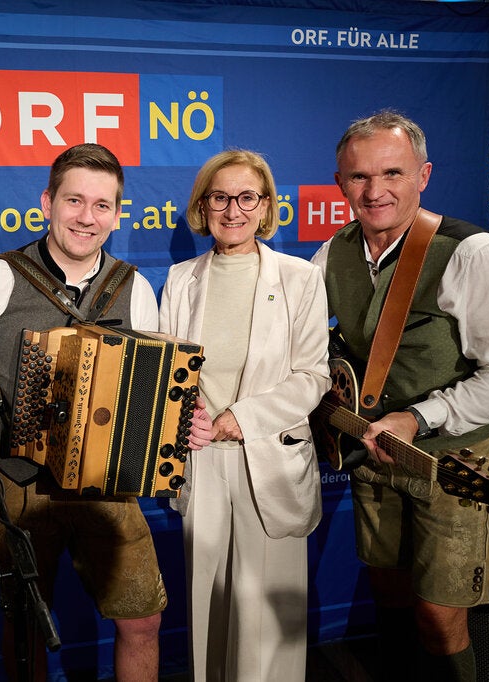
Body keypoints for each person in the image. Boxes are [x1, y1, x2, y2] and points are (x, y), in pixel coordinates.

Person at [0, 142, 212, 682]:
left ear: (117, 214)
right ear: (47, 202)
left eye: (101, 205)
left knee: (143, 616)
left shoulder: (132, 285)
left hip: (108, 483)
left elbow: (154, 379)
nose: (86, 218)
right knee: (24, 625)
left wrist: (186, 419)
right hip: (18, 480)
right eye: (74, 201)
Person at [311, 110, 489, 681]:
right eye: (359, 177)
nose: (375, 190)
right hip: (372, 453)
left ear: (424, 175)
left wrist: (418, 416)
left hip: (453, 461)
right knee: (387, 592)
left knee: (440, 614)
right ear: (340, 183)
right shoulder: (330, 254)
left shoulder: (471, 251)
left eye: (392, 172)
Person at [158, 149, 330, 681]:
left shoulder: (300, 278)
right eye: (220, 197)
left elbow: (314, 376)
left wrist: (238, 418)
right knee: (207, 603)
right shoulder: (181, 279)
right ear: (202, 206)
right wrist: (187, 416)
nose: (233, 210)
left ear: (265, 206)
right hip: (201, 459)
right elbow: (169, 371)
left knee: (267, 619)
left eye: (246, 197)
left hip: (269, 457)